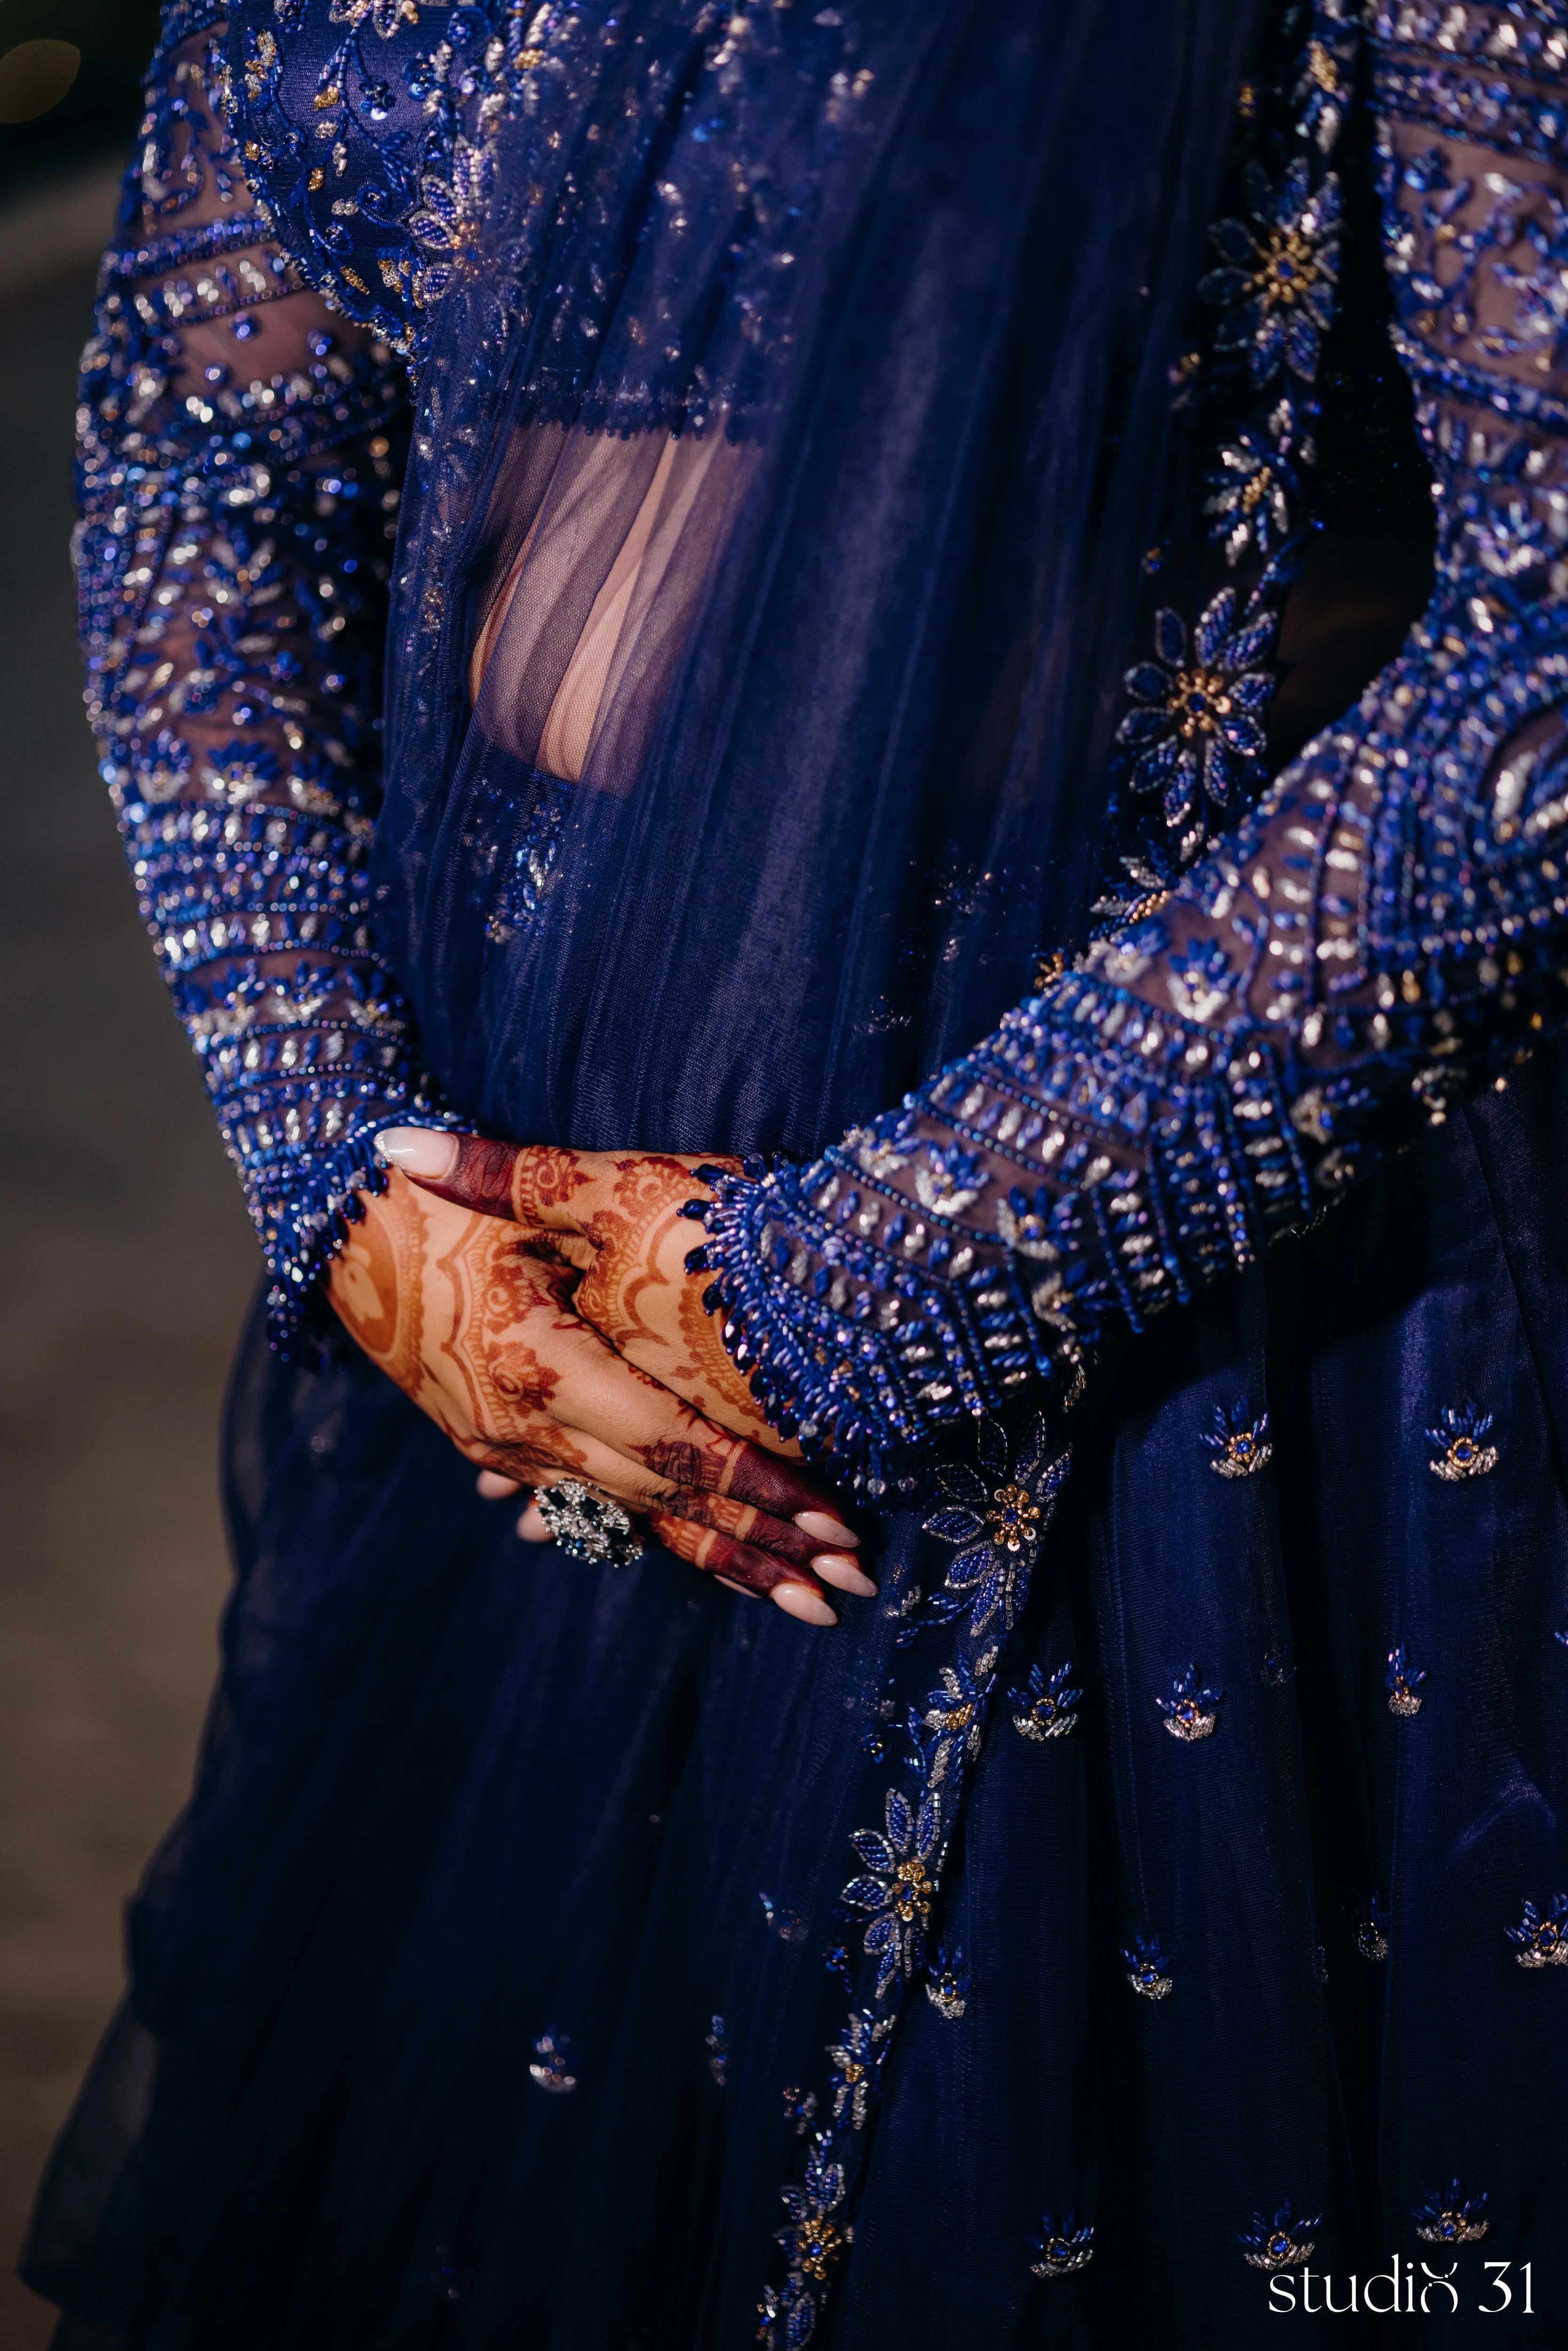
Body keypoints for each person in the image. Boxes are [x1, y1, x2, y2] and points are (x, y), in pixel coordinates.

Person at [22, 0, 1568, 2339]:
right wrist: (345, 1153)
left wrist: (833, 1293)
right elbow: (204, 476)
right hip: (513, 1243)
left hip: (1183, 1230)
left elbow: (1547, 659)